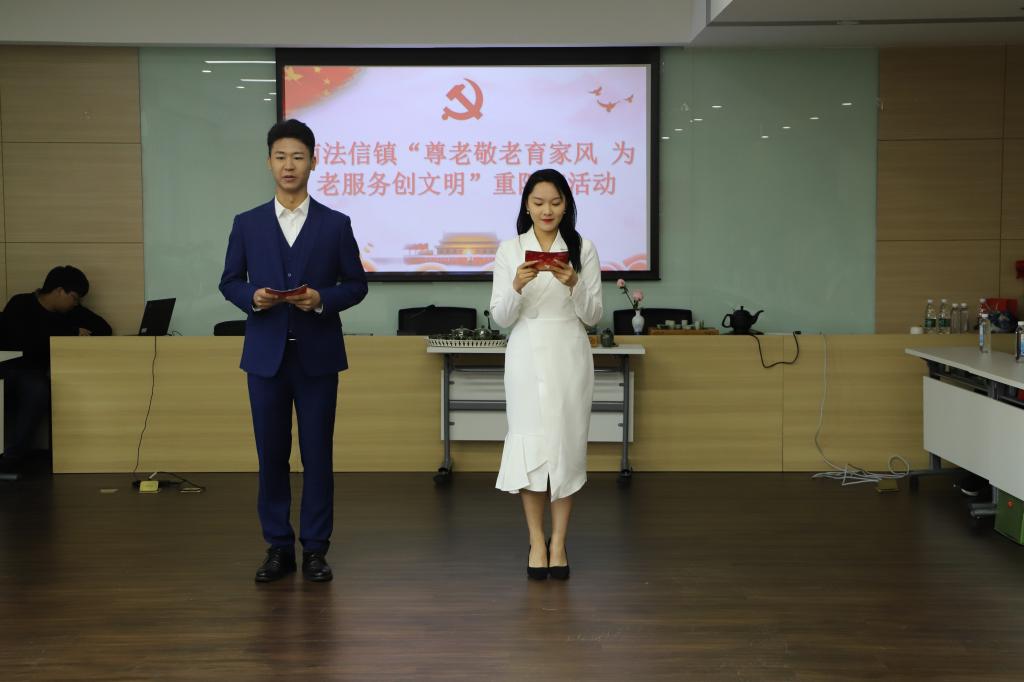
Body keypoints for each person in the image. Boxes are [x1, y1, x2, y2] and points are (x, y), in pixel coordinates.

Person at [219, 119, 368, 583]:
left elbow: (357, 284)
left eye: (298, 157)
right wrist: (252, 297)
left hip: (317, 357)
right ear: (269, 162)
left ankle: (316, 549)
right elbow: (229, 281)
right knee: (271, 456)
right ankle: (278, 547)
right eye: (281, 157)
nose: (289, 165)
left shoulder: (335, 224)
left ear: (314, 162)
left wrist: (322, 299)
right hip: (265, 359)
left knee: (318, 455)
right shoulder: (247, 224)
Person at [488, 169, 603, 580]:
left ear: (566, 205)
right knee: (531, 447)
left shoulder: (583, 248)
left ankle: (559, 543)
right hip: (524, 357)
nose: (547, 210)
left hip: (569, 353)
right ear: (526, 205)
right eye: (538, 203)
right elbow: (501, 318)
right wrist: (516, 285)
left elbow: (594, 315)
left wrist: (575, 283)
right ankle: (537, 540)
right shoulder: (509, 250)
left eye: (555, 202)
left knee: (566, 446)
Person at [0, 265, 112, 472]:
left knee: (37, 390)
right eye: (74, 298)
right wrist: (70, 332)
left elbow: (104, 329)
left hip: (32, 374)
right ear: (59, 291)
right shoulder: (20, 303)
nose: (76, 303)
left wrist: (73, 322)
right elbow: (22, 341)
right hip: (7, 366)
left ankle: (11, 459)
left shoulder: (70, 312)